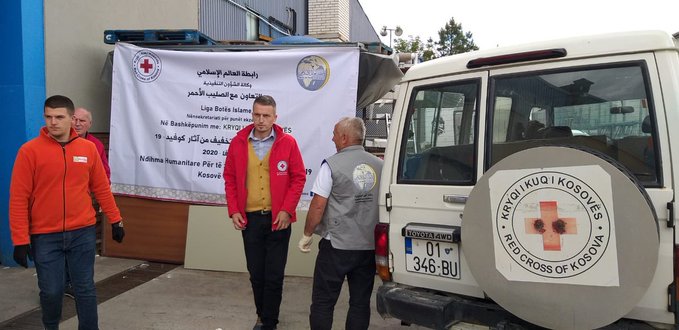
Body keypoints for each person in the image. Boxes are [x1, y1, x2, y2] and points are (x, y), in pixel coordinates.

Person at [9, 95, 125, 330]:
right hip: (45, 235)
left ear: (72, 119)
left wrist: (116, 219)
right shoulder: (29, 152)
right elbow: (19, 198)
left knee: (85, 288)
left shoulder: (88, 149)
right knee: (51, 291)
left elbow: (101, 188)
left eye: (59, 117)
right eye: (48, 117)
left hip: (82, 232)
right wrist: (20, 239)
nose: (53, 122)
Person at [224, 95, 306, 330]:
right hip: (250, 220)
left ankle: (269, 322)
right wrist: (233, 210)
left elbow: (298, 178)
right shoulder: (238, 142)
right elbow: (229, 178)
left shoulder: (287, 142)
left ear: (275, 117)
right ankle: (262, 314)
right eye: (257, 114)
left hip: (278, 220)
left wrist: (287, 210)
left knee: (274, 276)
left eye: (266, 115)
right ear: (252, 115)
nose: (261, 120)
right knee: (256, 274)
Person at [298, 117, 383, 330]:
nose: (332, 138)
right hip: (367, 246)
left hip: (336, 246)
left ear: (344, 138)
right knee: (360, 303)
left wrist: (307, 234)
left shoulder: (331, 165)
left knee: (323, 302)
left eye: (335, 134)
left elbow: (318, 206)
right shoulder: (381, 166)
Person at [73, 107, 111, 179]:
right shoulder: (62, 141)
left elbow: (104, 173)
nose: (77, 124)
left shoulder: (96, 144)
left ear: (90, 124)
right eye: (74, 120)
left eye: (82, 121)